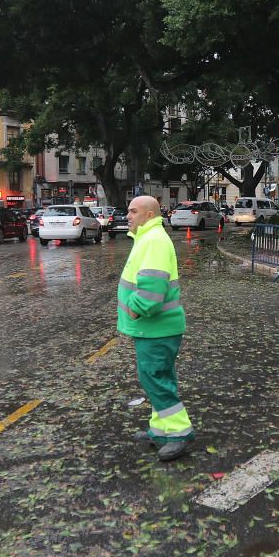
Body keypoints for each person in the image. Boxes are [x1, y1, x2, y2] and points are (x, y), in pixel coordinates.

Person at [119, 195, 195, 461]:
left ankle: (178, 433)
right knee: (158, 379)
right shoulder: (149, 238)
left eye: (133, 211)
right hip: (156, 327)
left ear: (149, 215)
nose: (128, 215)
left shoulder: (153, 241)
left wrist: (135, 308)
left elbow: (152, 289)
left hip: (155, 327)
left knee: (153, 379)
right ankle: (161, 430)